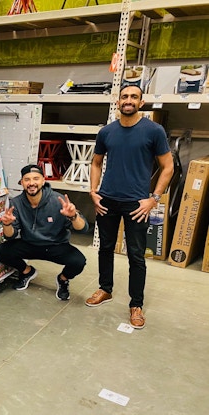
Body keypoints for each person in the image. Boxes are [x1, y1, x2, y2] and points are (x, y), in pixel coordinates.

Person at [86, 84, 174, 330]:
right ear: (118, 101)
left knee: (136, 255)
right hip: (107, 201)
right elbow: (96, 163)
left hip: (137, 204)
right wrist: (93, 192)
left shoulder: (153, 131)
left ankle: (136, 304)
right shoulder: (107, 132)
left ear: (141, 102)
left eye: (134, 97)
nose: (128, 100)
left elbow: (168, 167)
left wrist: (153, 198)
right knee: (105, 247)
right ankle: (105, 289)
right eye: (124, 96)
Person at [0, 164, 89, 300]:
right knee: (1, 252)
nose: (31, 183)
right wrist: (7, 224)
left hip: (56, 246)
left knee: (79, 261)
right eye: (27, 180)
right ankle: (27, 272)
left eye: (36, 179)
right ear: (21, 182)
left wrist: (73, 216)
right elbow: (10, 236)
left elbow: (83, 229)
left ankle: (63, 279)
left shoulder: (58, 201)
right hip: (30, 244)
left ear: (43, 181)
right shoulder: (16, 203)